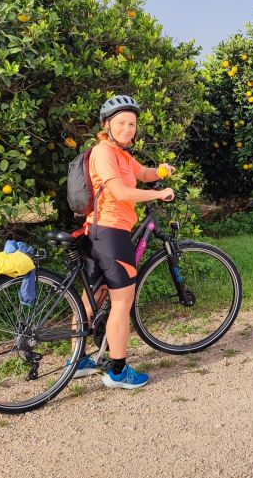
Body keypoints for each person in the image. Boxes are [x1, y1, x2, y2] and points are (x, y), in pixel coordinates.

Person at [72, 95, 176, 389]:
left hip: (97, 231)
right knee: (122, 301)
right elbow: (119, 192)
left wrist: (162, 172)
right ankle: (118, 372)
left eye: (132, 123)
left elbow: (141, 174)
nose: (128, 128)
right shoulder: (104, 153)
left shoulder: (122, 155)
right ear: (107, 125)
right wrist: (158, 194)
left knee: (92, 297)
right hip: (111, 233)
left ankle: (78, 361)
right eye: (121, 123)